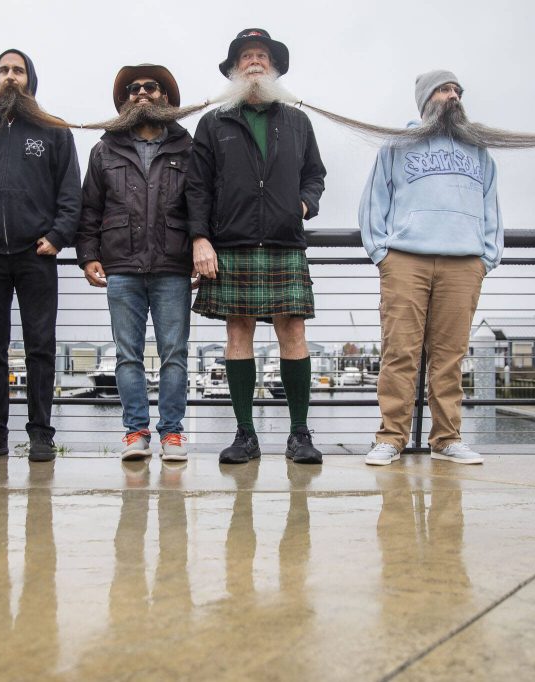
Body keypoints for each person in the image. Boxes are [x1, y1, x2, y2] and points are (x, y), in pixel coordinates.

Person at [187, 29, 327, 465]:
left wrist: (306, 203)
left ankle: (299, 434)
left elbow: (315, 173)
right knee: (237, 333)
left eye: (261, 56)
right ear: (233, 69)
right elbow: (197, 186)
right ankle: (245, 435)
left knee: (294, 332)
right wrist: (199, 237)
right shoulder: (214, 122)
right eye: (246, 56)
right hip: (232, 240)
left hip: (285, 240)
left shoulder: (298, 121)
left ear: (274, 67)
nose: (253, 62)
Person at [359, 70, 503, 466]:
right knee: (399, 352)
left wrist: (487, 256)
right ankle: (391, 438)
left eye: (457, 89)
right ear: (426, 99)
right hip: (406, 259)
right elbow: (374, 199)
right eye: (444, 89)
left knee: (450, 356)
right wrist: (381, 253)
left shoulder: (479, 151)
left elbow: (492, 206)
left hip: (464, 262)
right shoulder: (397, 144)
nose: (453, 95)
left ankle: (447, 438)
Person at [0, 49, 81, 463]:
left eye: (18, 71)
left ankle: (41, 433)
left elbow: (71, 193)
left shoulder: (54, 131)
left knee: (40, 346)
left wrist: (58, 236)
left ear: (31, 79)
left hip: (36, 254)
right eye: (3, 70)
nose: (10, 77)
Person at [77, 64, 193, 462]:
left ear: (166, 97)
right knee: (127, 355)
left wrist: (199, 249)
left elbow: (201, 208)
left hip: (173, 267)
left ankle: (173, 434)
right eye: (132, 88)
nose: (141, 92)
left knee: (174, 354)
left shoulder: (188, 148)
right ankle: (136, 433)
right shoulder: (103, 149)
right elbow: (89, 208)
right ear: (124, 100)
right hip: (121, 267)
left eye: (151, 86)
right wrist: (88, 255)